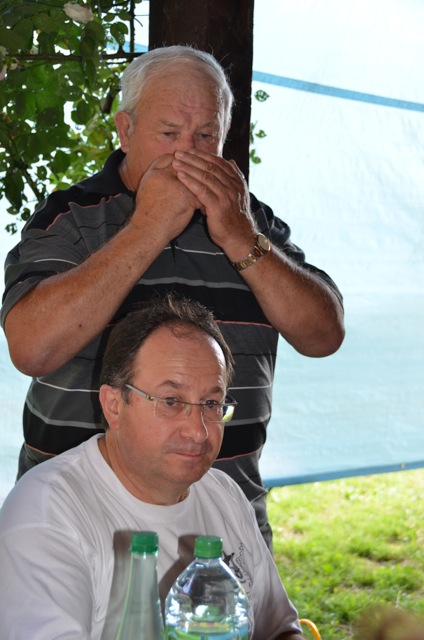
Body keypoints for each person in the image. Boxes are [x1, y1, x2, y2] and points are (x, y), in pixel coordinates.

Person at [0, 45, 344, 548]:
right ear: (125, 129)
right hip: (76, 520)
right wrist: (149, 226)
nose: (188, 152)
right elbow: (32, 348)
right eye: (168, 133)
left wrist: (241, 238)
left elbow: (324, 335)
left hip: (224, 517)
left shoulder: (249, 219)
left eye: (205, 136)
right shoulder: (71, 217)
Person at [0, 295, 305, 640]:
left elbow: (279, 629)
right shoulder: (47, 514)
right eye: (171, 401)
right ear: (114, 405)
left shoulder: (224, 494)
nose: (198, 432)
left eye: (211, 403)